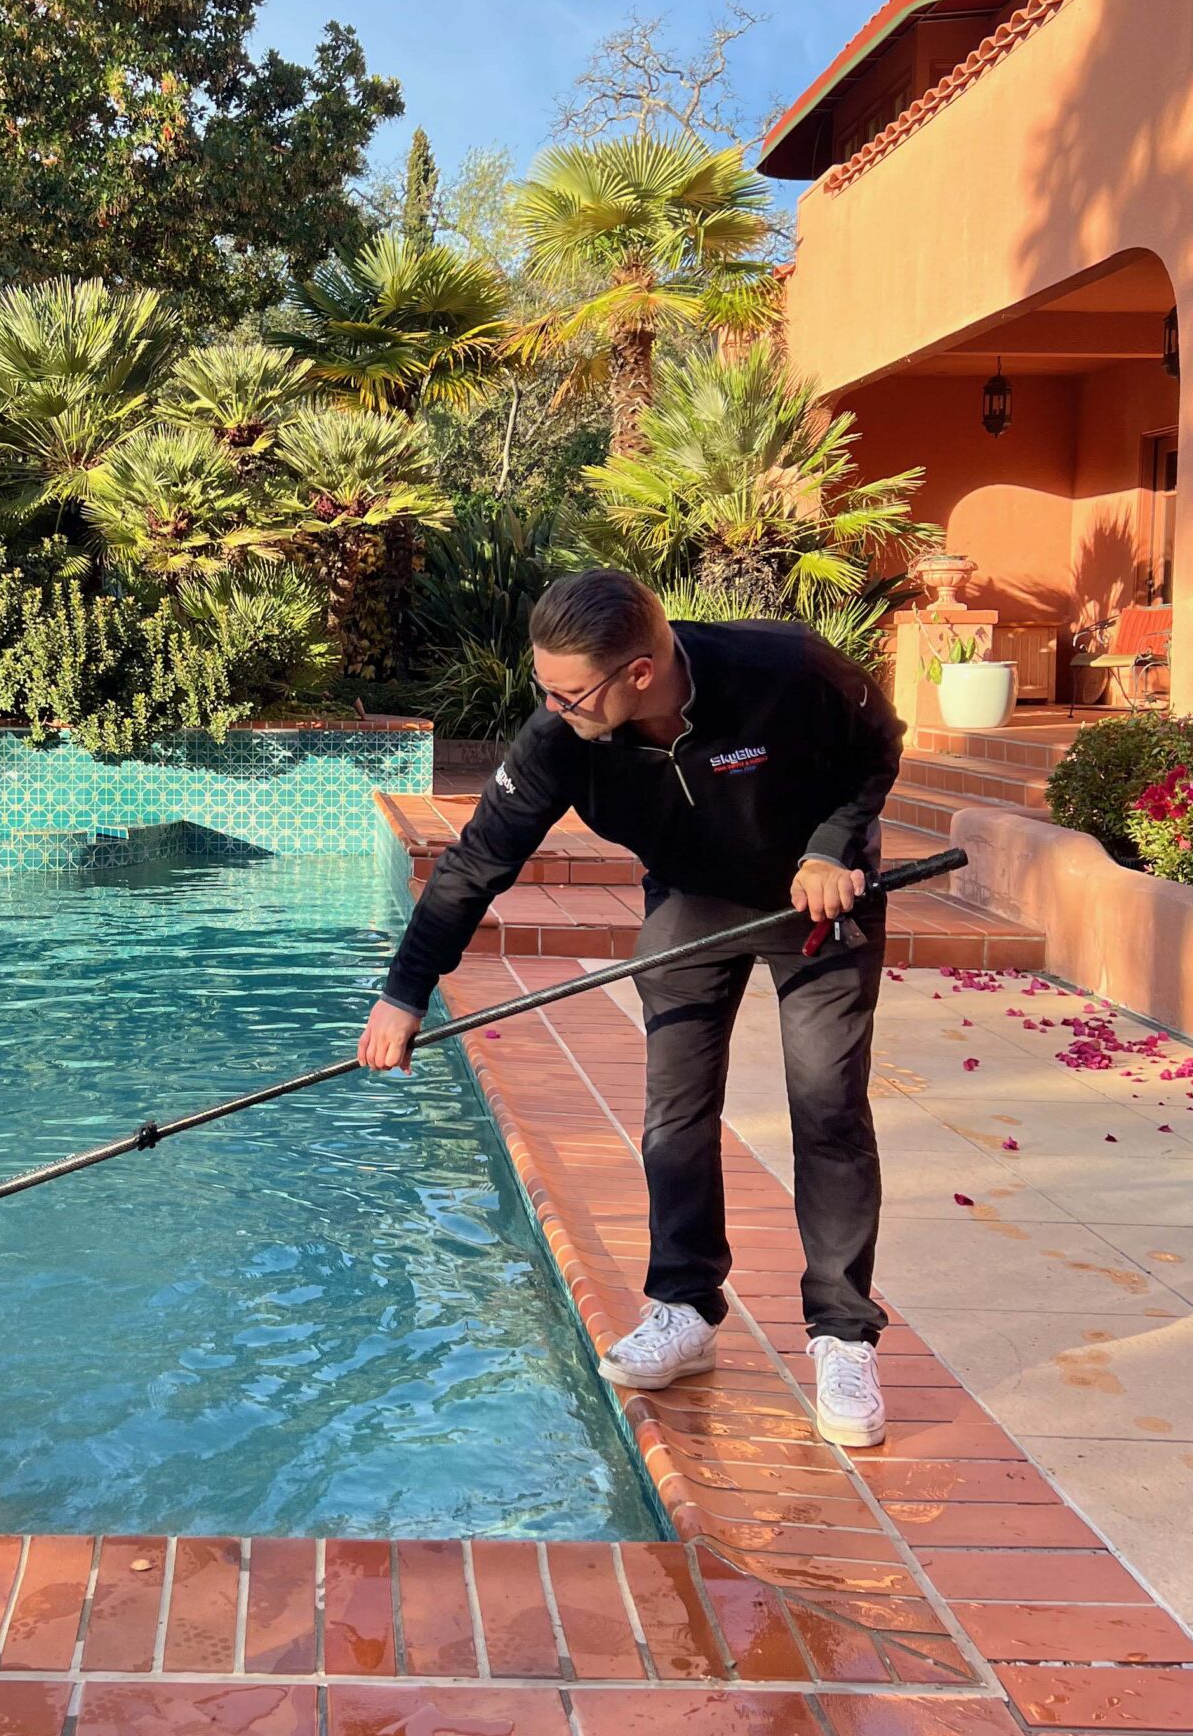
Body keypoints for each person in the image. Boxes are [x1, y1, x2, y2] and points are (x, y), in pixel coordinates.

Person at [358, 569, 904, 1448]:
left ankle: (842, 1332)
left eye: (569, 691)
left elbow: (878, 744)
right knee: (674, 1109)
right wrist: (404, 991)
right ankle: (684, 1307)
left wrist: (833, 846)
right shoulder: (558, 737)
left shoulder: (786, 667)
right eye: (544, 684)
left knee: (827, 1105)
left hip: (818, 902)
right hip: (693, 899)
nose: (551, 704)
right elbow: (474, 865)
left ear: (641, 673)